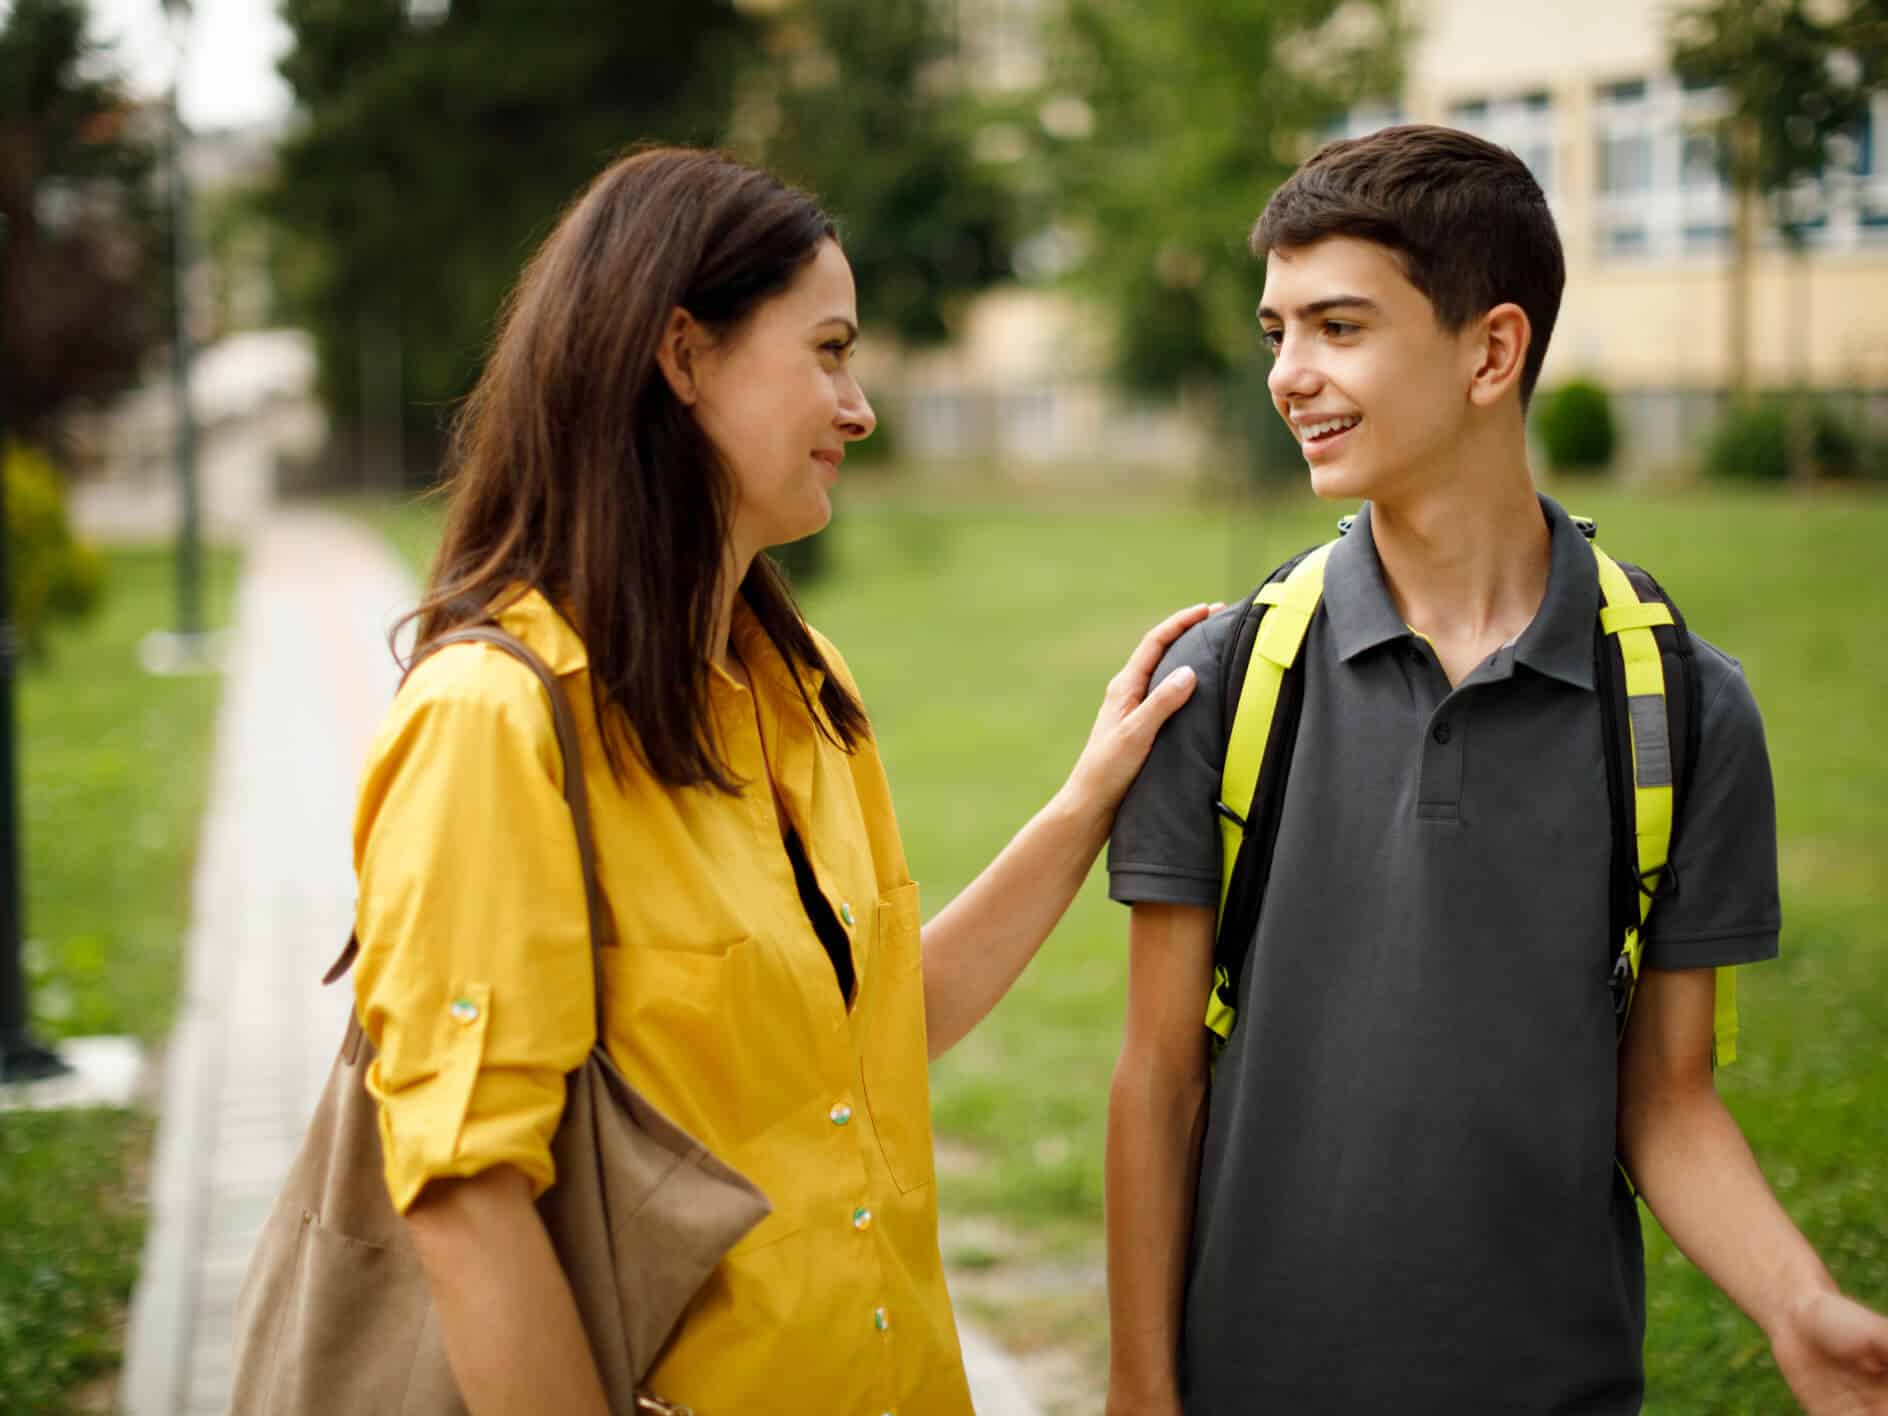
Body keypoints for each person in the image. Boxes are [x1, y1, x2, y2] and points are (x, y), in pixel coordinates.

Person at [350, 146, 1208, 1415]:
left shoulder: (805, 691)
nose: (859, 408)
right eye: (828, 351)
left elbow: (881, 1026)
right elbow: (466, 1197)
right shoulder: (494, 720)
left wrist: (1087, 801)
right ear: (682, 356)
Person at [1103, 124, 1888, 1414]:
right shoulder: (1230, 681)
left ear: (1493, 349)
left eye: (1338, 327)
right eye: (1276, 331)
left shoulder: (1681, 709)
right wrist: (1140, 1390)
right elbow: (1157, 1080)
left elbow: (1668, 1098)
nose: (1289, 375)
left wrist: (1795, 1302)